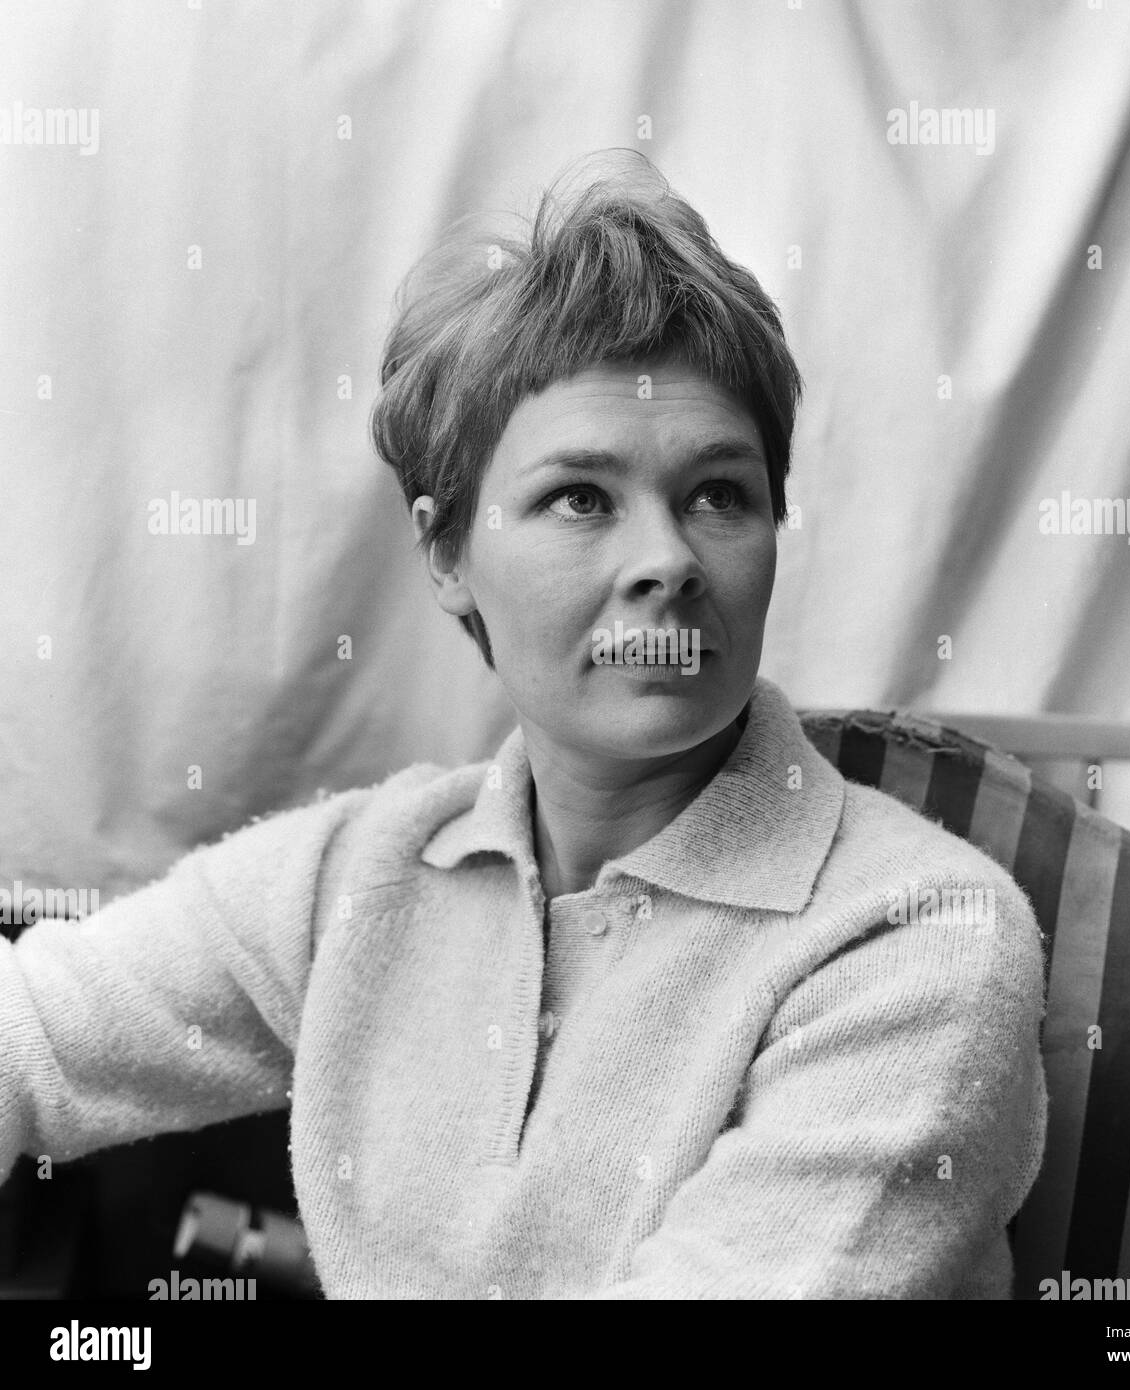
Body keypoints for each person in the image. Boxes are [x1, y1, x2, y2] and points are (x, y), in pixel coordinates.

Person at [0, 152, 1047, 1299]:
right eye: (579, 498)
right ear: (446, 552)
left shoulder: (916, 937)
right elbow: (31, 1038)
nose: (667, 562)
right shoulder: (367, 872)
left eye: (718, 494)